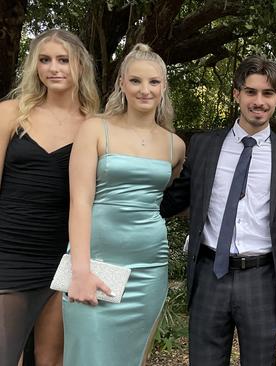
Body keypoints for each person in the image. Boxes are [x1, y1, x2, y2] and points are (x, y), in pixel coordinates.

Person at [160, 55, 276, 365]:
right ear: (236, 94)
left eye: (267, 93)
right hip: (208, 274)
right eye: (251, 92)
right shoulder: (203, 146)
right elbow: (169, 202)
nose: (259, 101)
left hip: (261, 278)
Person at [63, 43, 185, 365]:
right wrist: (80, 270)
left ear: (163, 87)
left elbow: (164, 194)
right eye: (135, 81)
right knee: (87, 356)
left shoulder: (175, 146)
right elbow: (80, 201)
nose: (145, 90)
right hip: (94, 265)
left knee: (131, 358)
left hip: (148, 270)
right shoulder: (95, 128)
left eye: (154, 82)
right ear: (121, 83)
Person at [0, 29, 100, 366]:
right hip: (9, 252)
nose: (53, 68)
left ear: (80, 66)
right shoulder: (10, 114)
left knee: (51, 359)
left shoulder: (95, 125)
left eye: (63, 59)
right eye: (44, 60)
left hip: (65, 256)